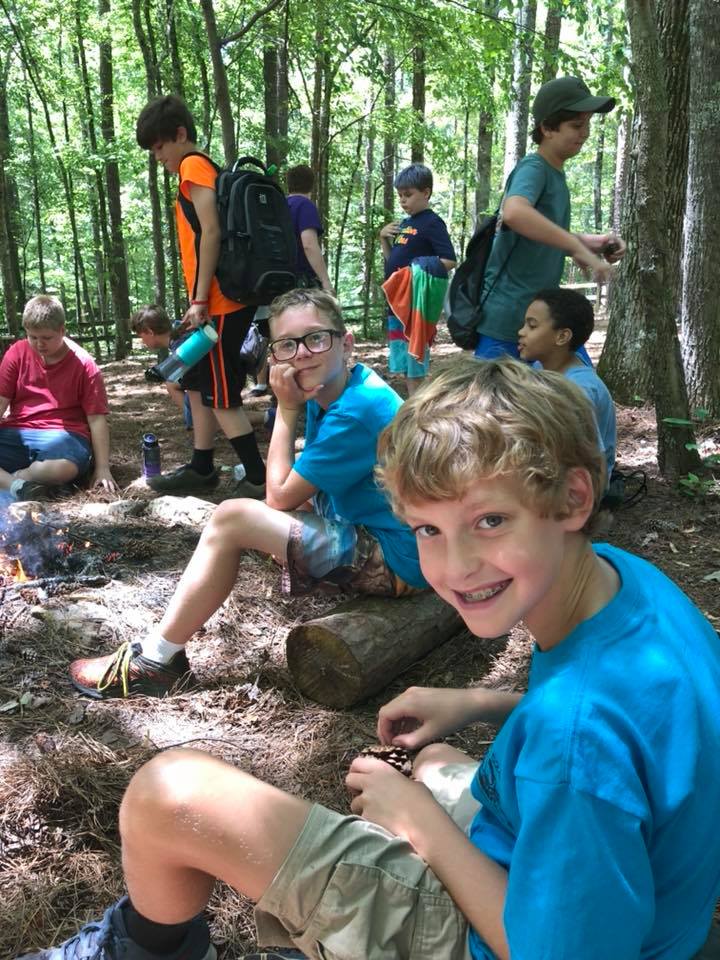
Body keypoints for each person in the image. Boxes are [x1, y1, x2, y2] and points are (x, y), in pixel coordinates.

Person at [23, 357, 720, 960]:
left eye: (490, 520)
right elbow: (637, 729)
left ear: (573, 498)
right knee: (436, 760)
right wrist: (480, 702)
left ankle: (148, 946)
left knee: (166, 795)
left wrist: (419, 822)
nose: (456, 565)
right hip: (647, 907)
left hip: (510, 935)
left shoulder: (573, 743)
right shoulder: (630, 587)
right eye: (427, 529)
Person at [67, 288, 426, 699]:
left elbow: (278, 497)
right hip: (387, 535)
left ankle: (157, 660)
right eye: (287, 344)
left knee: (233, 518)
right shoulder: (337, 388)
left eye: (316, 338)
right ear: (274, 354)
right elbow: (297, 488)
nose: (302, 353)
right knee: (247, 519)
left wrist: (286, 409)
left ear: (346, 343)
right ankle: (162, 653)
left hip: (405, 559)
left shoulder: (356, 408)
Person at [136, 95, 266, 498]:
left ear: (180, 135)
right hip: (214, 299)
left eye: (159, 147)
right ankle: (202, 466)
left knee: (223, 394)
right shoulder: (198, 169)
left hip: (220, 301)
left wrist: (199, 299)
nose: (158, 157)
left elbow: (211, 232)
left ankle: (259, 478)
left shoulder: (194, 165)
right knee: (199, 384)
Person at [474, 76, 627, 360]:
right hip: (509, 323)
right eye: (577, 125)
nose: (585, 133)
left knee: (576, 394)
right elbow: (515, 212)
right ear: (547, 128)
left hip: (543, 324)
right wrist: (575, 246)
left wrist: (592, 242)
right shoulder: (535, 167)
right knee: (492, 403)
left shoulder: (554, 174)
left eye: (588, 125)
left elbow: (539, 236)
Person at [0, 295, 117, 502]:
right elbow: (1, 400)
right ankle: (19, 487)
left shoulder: (84, 364)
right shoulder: (17, 353)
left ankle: (19, 477)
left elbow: (96, 419)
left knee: (63, 469)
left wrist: (102, 468)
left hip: (65, 435)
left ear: (62, 330)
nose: (39, 344)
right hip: (17, 431)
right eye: (32, 337)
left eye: (46, 338)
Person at [250, 164, 333, 399]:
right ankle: (310, 390)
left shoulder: (277, 206)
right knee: (308, 335)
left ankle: (283, 391)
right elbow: (308, 243)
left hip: (275, 283)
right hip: (300, 283)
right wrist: (325, 282)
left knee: (283, 338)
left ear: (288, 183)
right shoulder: (304, 206)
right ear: (312, 184)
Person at [518, 286, 616, 482]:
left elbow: (594, 461)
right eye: (524, 324)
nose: (521, 332)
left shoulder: (580, 390)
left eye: (532, 326)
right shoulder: (540, 369)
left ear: (562, 336)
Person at [380, 163, 456, 394]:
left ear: (426, 193)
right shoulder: (404, 224)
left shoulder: (432, 223)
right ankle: (414, 409)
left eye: (408, 195)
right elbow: (392, 262)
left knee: (416, 368)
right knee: (405, 368)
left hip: (415, 307)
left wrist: (416, 272)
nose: (403, 201)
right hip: (397, 305)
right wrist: (383, 238)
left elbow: (449, 260)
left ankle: (417, 415)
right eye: (400, 196)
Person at [131, 304, 192, 429]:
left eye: (141, 336)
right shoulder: (179, 335)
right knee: (171, 384)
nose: (142, 341)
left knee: (185, 388)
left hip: (206, 385)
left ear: (150, 332)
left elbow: (191, 377)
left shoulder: (180, 345)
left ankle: (195, 421)